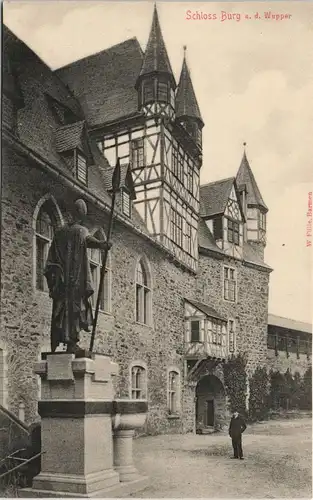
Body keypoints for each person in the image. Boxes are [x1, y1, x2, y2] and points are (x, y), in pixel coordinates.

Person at [44, 199, 110, 354]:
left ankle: (61, 341)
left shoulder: (59, 232)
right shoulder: (80, 230)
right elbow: (88, 240)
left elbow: (51, 260)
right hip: (74, 280)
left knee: (61, 311)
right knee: (75, 309)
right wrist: (102, 244)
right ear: (81, 215)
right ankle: (71, 342)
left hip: (60, 284)